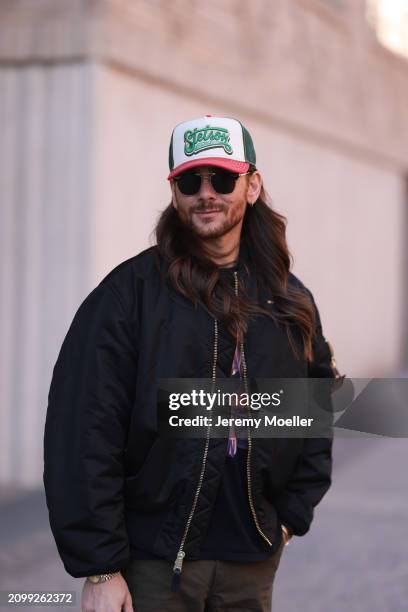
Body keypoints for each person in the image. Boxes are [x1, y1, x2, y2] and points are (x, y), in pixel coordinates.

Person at [43, 115, 341, 612]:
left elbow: (320, 408)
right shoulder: (127, 297)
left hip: (252, 562)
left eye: (223, 179)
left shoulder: (290, 302)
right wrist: (101, 567)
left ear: (252, 185)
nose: (207, 193)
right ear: (175, 192)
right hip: (153, 569)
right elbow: (83, 429)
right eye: (189, 181)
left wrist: (291, 515)